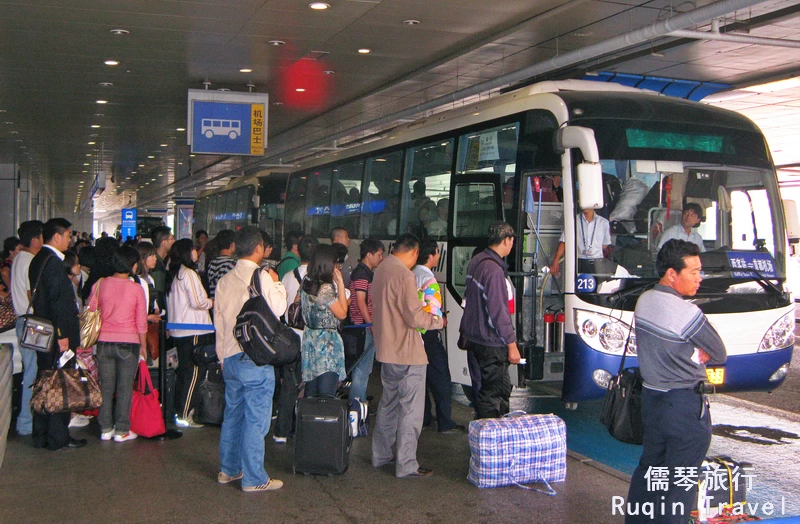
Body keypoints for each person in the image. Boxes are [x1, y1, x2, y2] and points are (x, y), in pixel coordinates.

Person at [625, 240, 726, 523]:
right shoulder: (686, 312)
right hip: (683, 407)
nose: (699, 277)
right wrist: (697, 351)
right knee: (680, 486)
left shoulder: (645, 300)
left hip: (652, 402)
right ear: (672, 274)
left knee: (651, 473)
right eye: (693, 271)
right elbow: (719, 352)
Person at [214, 226, 286, 492]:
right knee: (256, 420)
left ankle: (229, 470)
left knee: (233, 416)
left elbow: (219, 322)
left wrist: (222, 356)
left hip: (230, 357)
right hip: (255, 359)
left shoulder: (224, 280)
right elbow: (279, 309)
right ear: (258, 249)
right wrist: (276, 282)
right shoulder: (262, 276)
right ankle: (254, 478)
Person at [371, 233, 444, 478]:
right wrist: (437, 321)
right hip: (407, 352)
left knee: (388, 404)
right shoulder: (404, 274)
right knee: (411, 410)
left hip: (386, 350)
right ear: (414, 252)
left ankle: (380, 455)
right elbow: (414, 316)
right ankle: (406, 464)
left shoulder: (381, 269)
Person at [28, 218, 86, 450]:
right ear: (57, 236)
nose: (70, 239)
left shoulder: (39, 259)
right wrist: (62, 334)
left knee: (45, 381)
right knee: (60, 383)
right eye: (68, 235)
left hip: (44, 333)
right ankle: (58, 436)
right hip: (57, 335)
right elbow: (57, 302)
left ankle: (41, 432)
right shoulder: (53, 262)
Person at [459, 221, 521, 419]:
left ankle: (483, 438)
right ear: (506, 240)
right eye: (512, 241)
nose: (512, 245)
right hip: (490, 343)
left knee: (485, 391)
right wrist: (511, 344)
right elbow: (498, 312)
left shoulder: (477, 260)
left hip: (474, 338)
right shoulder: (493, 271)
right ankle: (491, 441)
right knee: (493, 396)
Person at [90, 246, 148, 442]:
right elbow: (141, 322)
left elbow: (90, 309)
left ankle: (105, 428)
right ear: (132, 265)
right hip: (128, 343)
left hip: (104, 342)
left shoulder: (100, 284)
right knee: (124, 388)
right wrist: (144, 348)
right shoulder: (136, 288)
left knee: (105, 387)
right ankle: (121, 430)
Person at [413, 238, 463, 434]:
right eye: (437, 252)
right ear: (431, 255)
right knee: (441, 378)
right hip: (429, 334)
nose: (439, 256)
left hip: (415, 335)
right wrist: (441, 321)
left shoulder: (411, 274)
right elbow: (432, 310)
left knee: (421, 378)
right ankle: (445, 422)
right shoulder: (429, 280)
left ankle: (424, 417)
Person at [272, 236, 316, 444]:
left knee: (289, 385)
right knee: (309, 385)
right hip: (309, 336)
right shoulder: (318, 278)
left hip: (290, 337)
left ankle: (281, 431)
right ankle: (303, 429)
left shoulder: (288, 275)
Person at [167, 238, 214, 428]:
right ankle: (186, 413)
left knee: (184, 372)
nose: (197, 252)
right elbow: (198, 302)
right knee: (194, 372)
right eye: (194, 249)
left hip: (178, 329)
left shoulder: (174, 273)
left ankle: (179, 410)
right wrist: (212, 301)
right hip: (194, 329)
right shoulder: (189, 274)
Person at [300, 244, 348, 397]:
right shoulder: (325, 289)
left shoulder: (306, 281)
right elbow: (342, 313)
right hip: (326, 346)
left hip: (310, 341)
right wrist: (340, 285)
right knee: (326, 395)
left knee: (311, 392)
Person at [10, 220, 44, 436]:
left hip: (22, 320)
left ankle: (26, 420)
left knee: (30, 370)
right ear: (35, 240)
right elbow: (33, 294)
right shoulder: (29, 261)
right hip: (31, 322)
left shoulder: (18, 259)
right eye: (41, 237)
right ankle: (26, 422)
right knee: (32, 372)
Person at [346, 238, 385, 403]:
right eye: (379, 254)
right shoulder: (362, 274)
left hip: (363, 325)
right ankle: (356, 406)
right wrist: (371, 325)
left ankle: (357, 404)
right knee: (362, 369)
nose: (381, 258)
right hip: (362, 326)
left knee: (363, 369)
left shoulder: (365, 272)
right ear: (369, 254)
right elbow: (361, 301)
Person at [549, 207, 612, 278]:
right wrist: (555, 261)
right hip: (578, 261)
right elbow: (564, 242)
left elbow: (605, 244)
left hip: (597, 262)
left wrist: (594, 248)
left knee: (597, 286)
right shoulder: (573, 221)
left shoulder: (604, 222)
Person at [206, 229, 236, 298]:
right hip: (226, 305)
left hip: (215, 304)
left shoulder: (212, 263)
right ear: (232, 244)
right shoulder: (232, 264)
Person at [150, 225, 175, 305]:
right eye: (171, 239)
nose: (174, 241)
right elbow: (158, 293)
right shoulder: (157, 265)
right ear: (164, 242)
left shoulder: (159, 261)